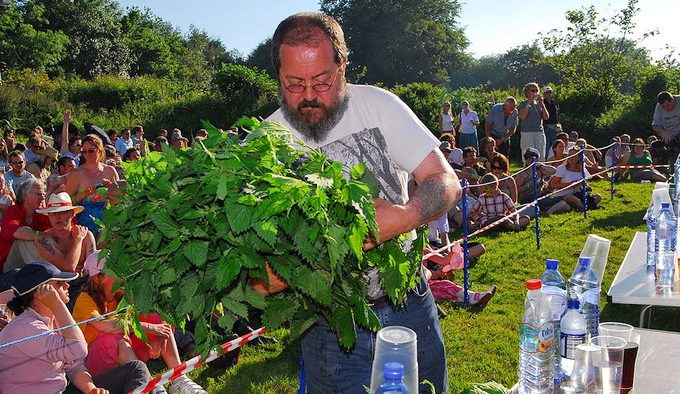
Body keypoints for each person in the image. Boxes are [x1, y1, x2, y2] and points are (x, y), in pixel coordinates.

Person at [259, 12, 459, 393]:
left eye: (322, 81)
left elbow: (444, 181)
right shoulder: (265, 144)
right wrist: (264, 278)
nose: (309, 97)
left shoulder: (379, 106)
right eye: (294, 85)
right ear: (278, 78)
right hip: (328, 328)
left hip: (407, 305)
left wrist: (404, 216)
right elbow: (250, 262)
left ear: (343, 66)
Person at [0, 262, 157, 394]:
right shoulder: (25, 327)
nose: (68, 285)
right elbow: (78, 349)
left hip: (63, 389)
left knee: (136, 369)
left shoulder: (51, 320)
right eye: (60, 284)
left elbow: (74, 365)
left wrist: (91, 390)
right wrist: (57, 305)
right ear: (41, 293)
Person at [73, 253, 207, 393]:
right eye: (114, 270)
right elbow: (106, 326)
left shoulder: (123, 291)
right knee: (112, 338)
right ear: (97, 278)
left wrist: (160, 336)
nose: (122, 273)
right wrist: (148, 328)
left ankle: (179, 379)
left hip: (123, 354)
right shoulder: (84, 300)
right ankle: (148, 384)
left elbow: (157, 310)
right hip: (95, 368)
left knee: (153, 317)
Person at [34, 192, 95, 308]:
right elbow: (69, 268)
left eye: (62, 212)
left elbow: (94, 272)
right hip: (56, 290)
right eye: (53, 213)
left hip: (84, 288)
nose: (58, 217)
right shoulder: (43, 239)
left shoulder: (87, 236)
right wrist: (77, 240)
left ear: (72, 214)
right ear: (49, 216)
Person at [65, 134, 121, 238]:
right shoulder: (77, 174)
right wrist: (84, 194)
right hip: (87, 225)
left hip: (110, 221)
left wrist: (111, 188)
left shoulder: (110, 171)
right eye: (84, 151)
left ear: (99, 150)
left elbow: (120, 197)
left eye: (91, 150)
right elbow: (66, 202)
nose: (87, 154)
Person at [0, 178, 51, 272]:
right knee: (25, 236)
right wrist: (40, 235)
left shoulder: (42, 214)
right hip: (9, 267)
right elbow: (11, 232)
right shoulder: (12, 211)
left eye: (44, 194)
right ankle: (46, 273)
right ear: (24, 196)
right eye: (38, 194)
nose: (43, 198)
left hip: (29, 266)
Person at [423, 244, 496, 306]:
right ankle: (472, 298)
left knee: (445, 284)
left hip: (427, 283)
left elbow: (443, 260)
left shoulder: (424, 250)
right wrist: (436, 274)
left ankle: (474, 297)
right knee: (441, 288)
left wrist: (453, 252)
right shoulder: (413, 254)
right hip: (416, 288)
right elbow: (420, 276)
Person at [514, 147, 571, 215]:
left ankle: (545, 212)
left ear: (537, 158)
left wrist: (540, 165)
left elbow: (553, 171)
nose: (529, 159)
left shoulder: (540, 170)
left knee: (565, 205)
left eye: (532, 156)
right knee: (561, 202)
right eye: (527, 157)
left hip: (540, 196)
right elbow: (515, 191)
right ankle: (545, 212)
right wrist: (528, 186)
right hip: (527, 198)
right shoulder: (522, 173)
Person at [518, 82, 549, 161]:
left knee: (541, 155)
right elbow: (522, 117)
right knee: (528, 155)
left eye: (536, 90)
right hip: (527, 132)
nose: (535, 92)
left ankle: (540, 171)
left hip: (539, 132)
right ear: (527, 92)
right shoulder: (523, 103)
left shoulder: (539, 104)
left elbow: (546, 117)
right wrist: (529, 102)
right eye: (532, 90)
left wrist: (542, 104)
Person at [652, 91, 680, 165]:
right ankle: (667, 170)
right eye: (663, 107)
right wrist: (663, 132)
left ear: (672, 100)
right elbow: (655, 125)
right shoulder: (658, 107)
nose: (666, 109)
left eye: (668, 105)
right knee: (655, 146)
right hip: (670, 137)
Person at [542, 86, 560, 159]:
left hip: (555, 127)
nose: (549, 94)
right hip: (547, 127)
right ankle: (547, 161)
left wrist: (558, 125)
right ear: (544, 94)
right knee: (547, 147)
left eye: (550, 92)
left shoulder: (553, 103)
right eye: (547, 93)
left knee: (555, 146)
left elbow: (555, 115)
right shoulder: (543, 103)